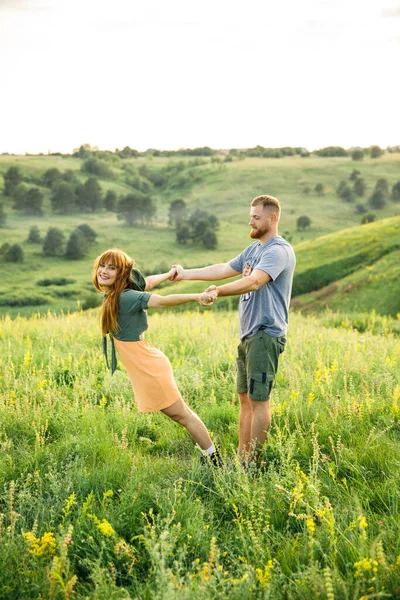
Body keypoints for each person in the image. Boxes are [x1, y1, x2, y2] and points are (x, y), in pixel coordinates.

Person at [171, 195, 296, 464]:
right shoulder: (253, 250)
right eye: (250, 215)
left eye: (256, 217)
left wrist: (217, 292)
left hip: (266, 333)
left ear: (272, 218)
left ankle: (253, 463)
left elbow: (254, 282)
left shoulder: (278, 250)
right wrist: (185, 274)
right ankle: (242, 458)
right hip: (248, 334)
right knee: (245, 399)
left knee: (259, 400)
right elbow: (222, 268)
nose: (250, 221)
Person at [93, 248, 221, 465]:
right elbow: (148, 283)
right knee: (182, 414)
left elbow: (162, 300)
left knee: (182, 415)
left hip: (149, 366)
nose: (104, 271)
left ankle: (214, 461)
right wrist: (169, 274)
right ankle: (210, 456)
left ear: (121, 273)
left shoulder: (126, 297)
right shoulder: (118, 292)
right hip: (146, 364)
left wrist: (198, 296)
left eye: (111, 268)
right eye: (102, 265)